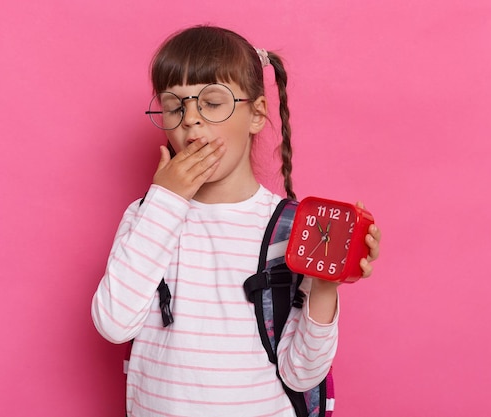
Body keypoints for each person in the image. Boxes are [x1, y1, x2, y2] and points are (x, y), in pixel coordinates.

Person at [92, 25, 381, 417]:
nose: (191, 120)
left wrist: (325, 285)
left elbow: (301, 375)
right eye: (175, 106)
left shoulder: (293, 229)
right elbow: (114, 324)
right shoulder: (147, 216)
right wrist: (166, 201)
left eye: (212, 102)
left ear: (257, 115)